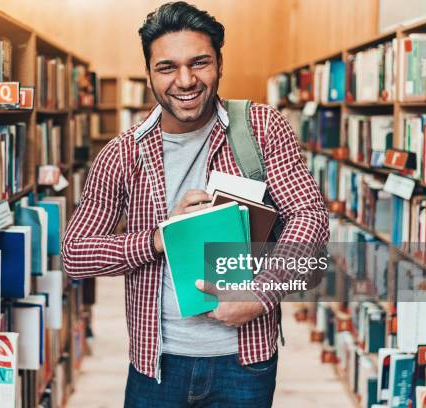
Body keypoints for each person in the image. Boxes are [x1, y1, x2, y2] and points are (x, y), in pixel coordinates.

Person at [62, 2, 329, 406]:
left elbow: (310, 217)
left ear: (220, 64)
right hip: (157, 363)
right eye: (167, 67)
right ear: (149, 73)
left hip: (246, 359)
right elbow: (76, 255)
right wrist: (160, 237)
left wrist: (260, 295)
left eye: (199, 63)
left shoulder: (261, 128)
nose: (185, 80)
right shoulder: (123, 154)